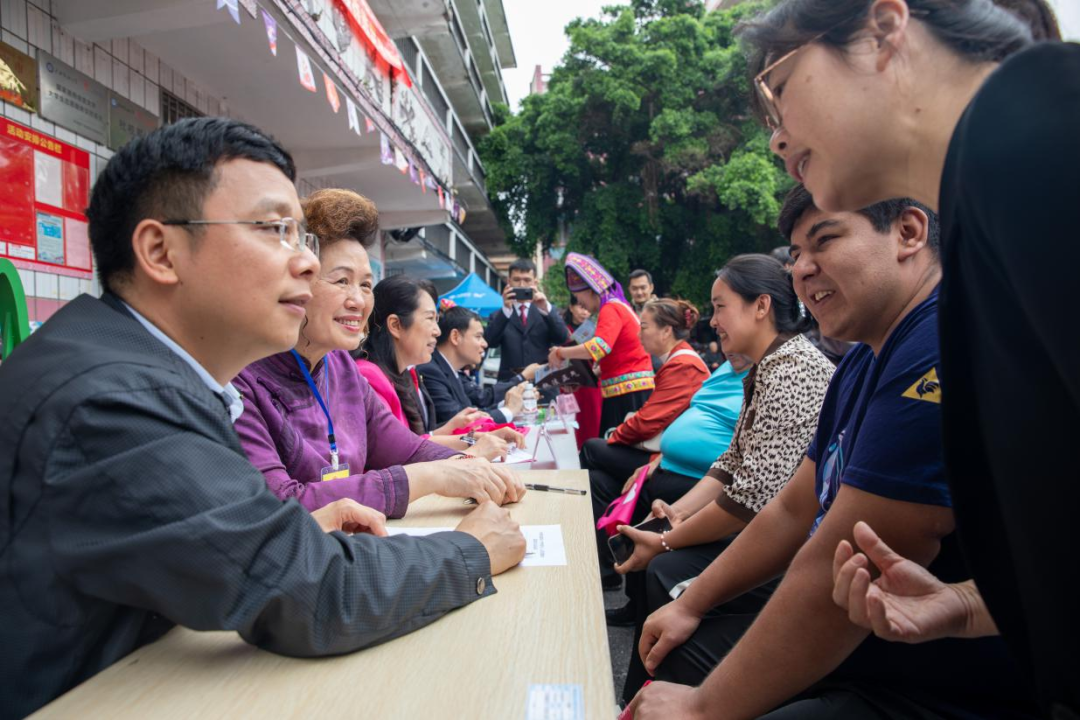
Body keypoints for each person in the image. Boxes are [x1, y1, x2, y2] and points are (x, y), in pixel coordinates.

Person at [0, 118, 526, 719]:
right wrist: (469, 553)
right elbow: (307, 588)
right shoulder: (114, 399)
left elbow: (256, 546)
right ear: (159, 251)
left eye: (301, 237)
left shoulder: (141, 369)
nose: (305, 262)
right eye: (275, 230)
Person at [740, 1, 1077, 714]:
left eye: (777, 87)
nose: (775, 139)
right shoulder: (983, 215)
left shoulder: (1041, 130)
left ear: (885, 28)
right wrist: (969, 604)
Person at [625, 190, 1037, 719]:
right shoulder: (859, 363)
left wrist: (704, 708)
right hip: (871, 649)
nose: (801, 270)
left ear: (908, 234)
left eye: (825, 241)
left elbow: (840, 547)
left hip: (934, 684)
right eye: (796, 254)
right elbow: (794, 508)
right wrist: (692, 599)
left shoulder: (938, 341)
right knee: (674, 627)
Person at [614, 254, 833, 696]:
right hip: (768, 524)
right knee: (661, 550)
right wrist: (675, 513)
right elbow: (730, 463)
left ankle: (655, 694)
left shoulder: (793, 371)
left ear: (761, 306)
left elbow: (749, 501)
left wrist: (666, 538)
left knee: (666, 566)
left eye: (720, 306)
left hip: (799, 550)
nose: (712, 320)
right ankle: (643, 696)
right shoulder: (766, 367)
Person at [232, 188, 525, 514]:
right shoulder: (241, 378)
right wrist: (432, 476)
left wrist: (470, 466)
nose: (358, 301)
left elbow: (407, 449)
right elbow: (281, 507)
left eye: (366, 285)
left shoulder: (340, 366)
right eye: (342, 281)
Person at [582, 299, 710, 563]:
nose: (639, 334)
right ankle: (606, 567)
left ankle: (594, 552)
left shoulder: (684, 365)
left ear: (666, 331)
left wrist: (614, 435)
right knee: (598, 480)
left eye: (644, 327)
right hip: (663, 454)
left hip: (670, 461)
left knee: (592, 449)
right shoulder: (676, 361)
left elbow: (647, 422)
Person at [549, 253, 656, 436]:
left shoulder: (610, 308)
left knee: (616, 453)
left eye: (578, 295)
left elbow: (599, 347)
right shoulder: (619, 306)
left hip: (626, 394)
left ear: (591, 289)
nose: (579, 302)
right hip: (629, 391)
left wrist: (560, 353)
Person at [420, 305, 539, 426]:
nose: (485, 344)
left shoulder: (449, 370)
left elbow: (473, 409)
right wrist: (509, 410)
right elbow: (464, 425)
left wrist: (511, 403)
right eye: (478, 336)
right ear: (455, 337)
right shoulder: (430, 371)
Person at [484, 258, 568, 382]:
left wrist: (546, 308)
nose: (522, 285)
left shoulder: (547, 311)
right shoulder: (500, 315)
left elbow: (562, 337)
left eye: (527, 280)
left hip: (544, 382)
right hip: (510, 385)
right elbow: (490, 342)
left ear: (535, 282)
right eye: (516, 280)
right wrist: (506, 310)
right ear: (509, 282)